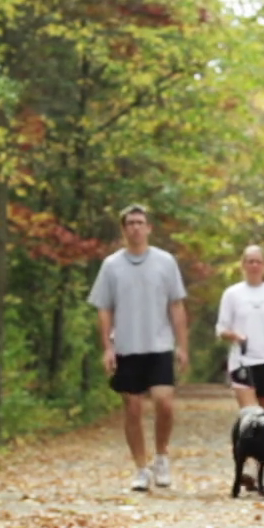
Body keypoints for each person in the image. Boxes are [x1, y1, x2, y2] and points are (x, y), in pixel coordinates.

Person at [90, 204, 189, 492]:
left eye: (139, 222)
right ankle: (140, 468)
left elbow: (176, 304)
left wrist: (182, 345)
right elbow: (104, 309)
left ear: (148, 228)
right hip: (126, 346)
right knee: (132, 408)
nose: (135, 227)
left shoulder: (165, 262)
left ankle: (161, 456)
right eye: (130, 223)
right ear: (123, 230)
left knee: (164, 403)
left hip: (159, 344)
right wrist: (107, 348)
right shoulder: (111, 266)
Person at [215, 245, 264, 413]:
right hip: (242, 361)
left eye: (258, 262)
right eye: (250, 262)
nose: (254, 266)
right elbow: (221, 329)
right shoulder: (232, 294)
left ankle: (263, 432)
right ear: (243, 265)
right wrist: (235, 335)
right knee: (251, 415)